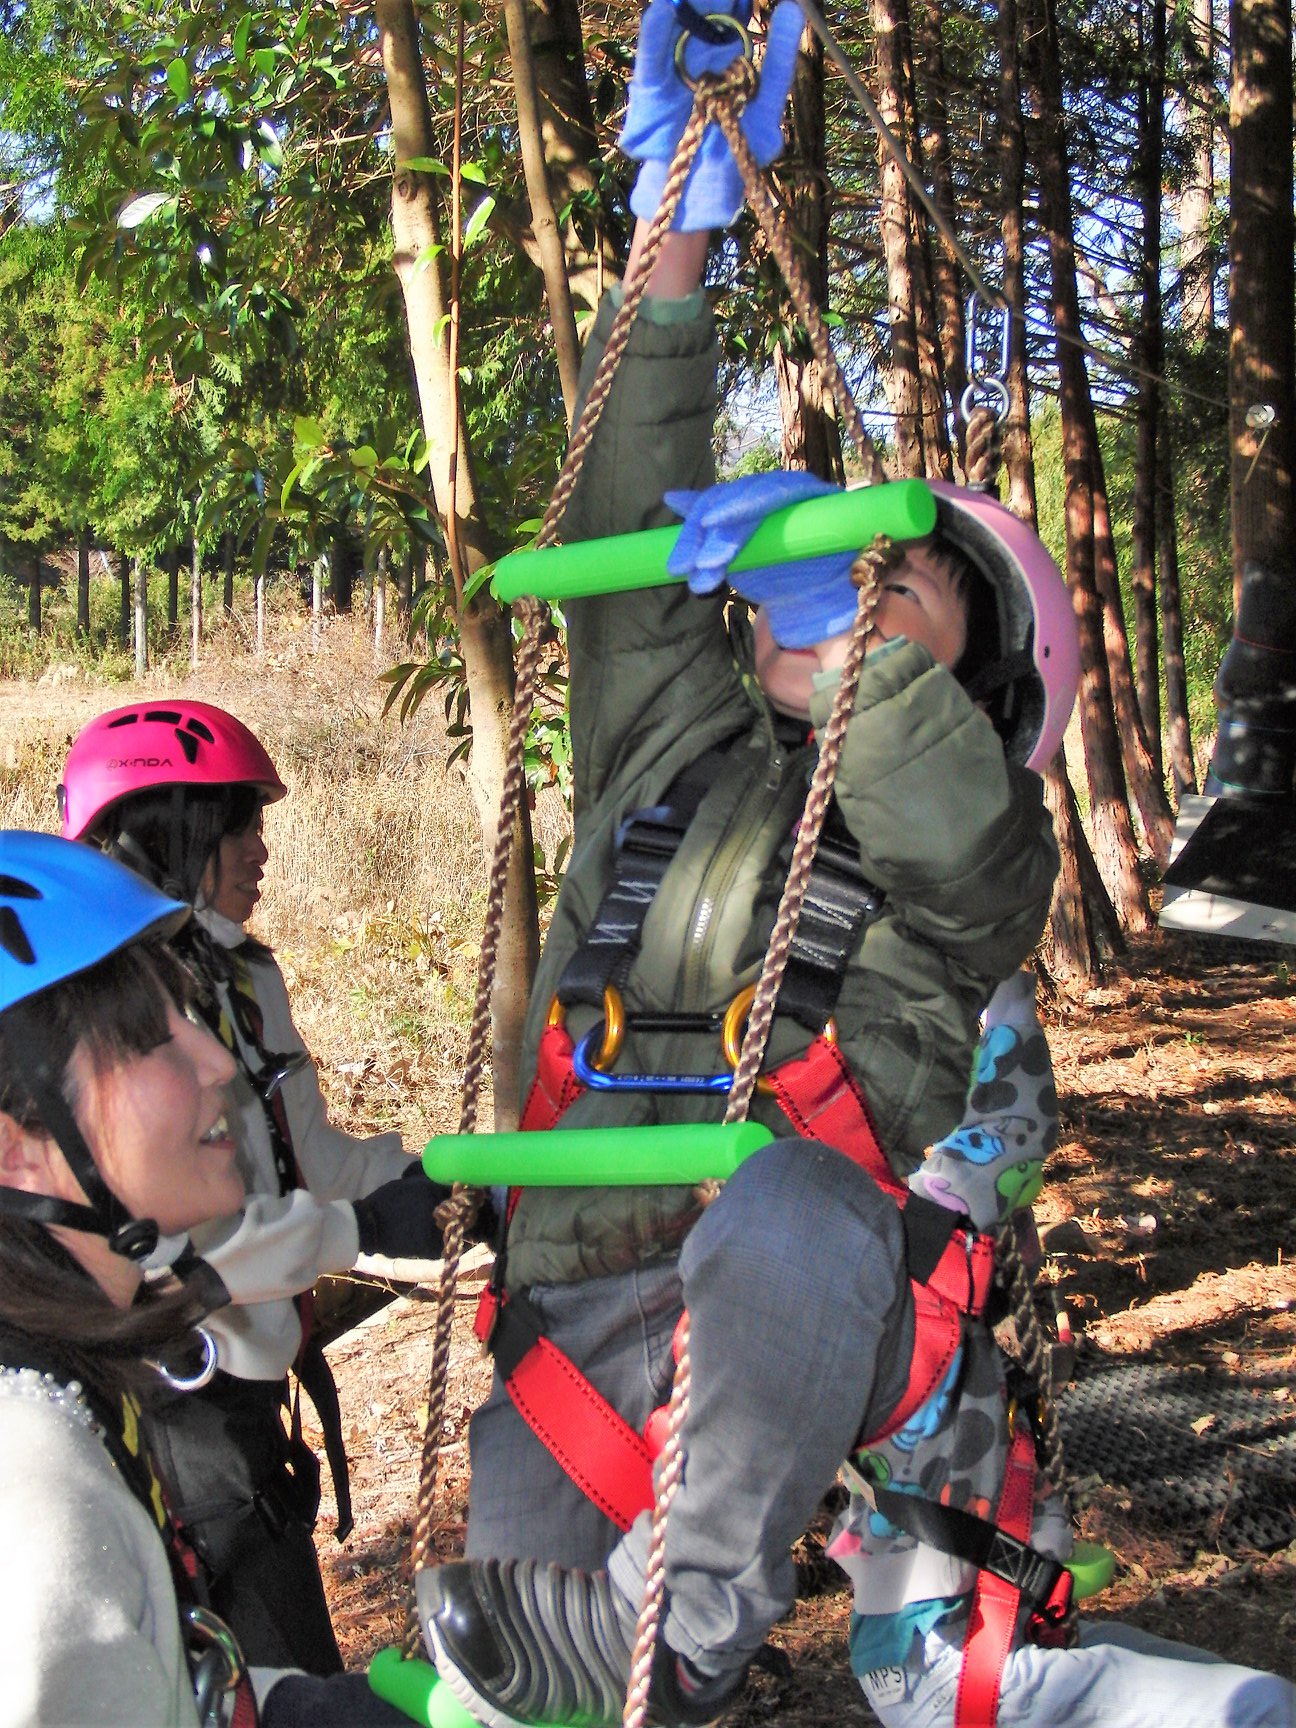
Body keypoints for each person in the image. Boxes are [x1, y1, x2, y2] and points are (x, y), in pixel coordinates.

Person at [415, 5, 1296, 1725]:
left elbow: (962, 844)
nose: (861, 596)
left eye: (910, 592)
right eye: (841, 579)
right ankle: (642, 1668)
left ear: (965, 677)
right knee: (516, 1677)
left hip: (819, 1286)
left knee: (794, 1212)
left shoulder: (965, 836)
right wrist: (678, 219)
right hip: (583, 1295)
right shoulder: (672, 750)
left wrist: (850, 646)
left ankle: (695, 1627)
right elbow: (618, 531)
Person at [57, 700, 449, 1673]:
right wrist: (354, 1227)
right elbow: (177, 1235)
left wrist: (441, 1183)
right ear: (170, 825)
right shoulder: (107, 1006)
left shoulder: (241, 978)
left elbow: (304, 1153)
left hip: (251, 1408)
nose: (260, 848)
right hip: (173, 1409)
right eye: (238, 822)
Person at [0, 830, 411, 1726]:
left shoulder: (66, 1386)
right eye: (153, 1038)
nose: (218, 1063)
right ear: (15, 1147)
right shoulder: (31, 1483)